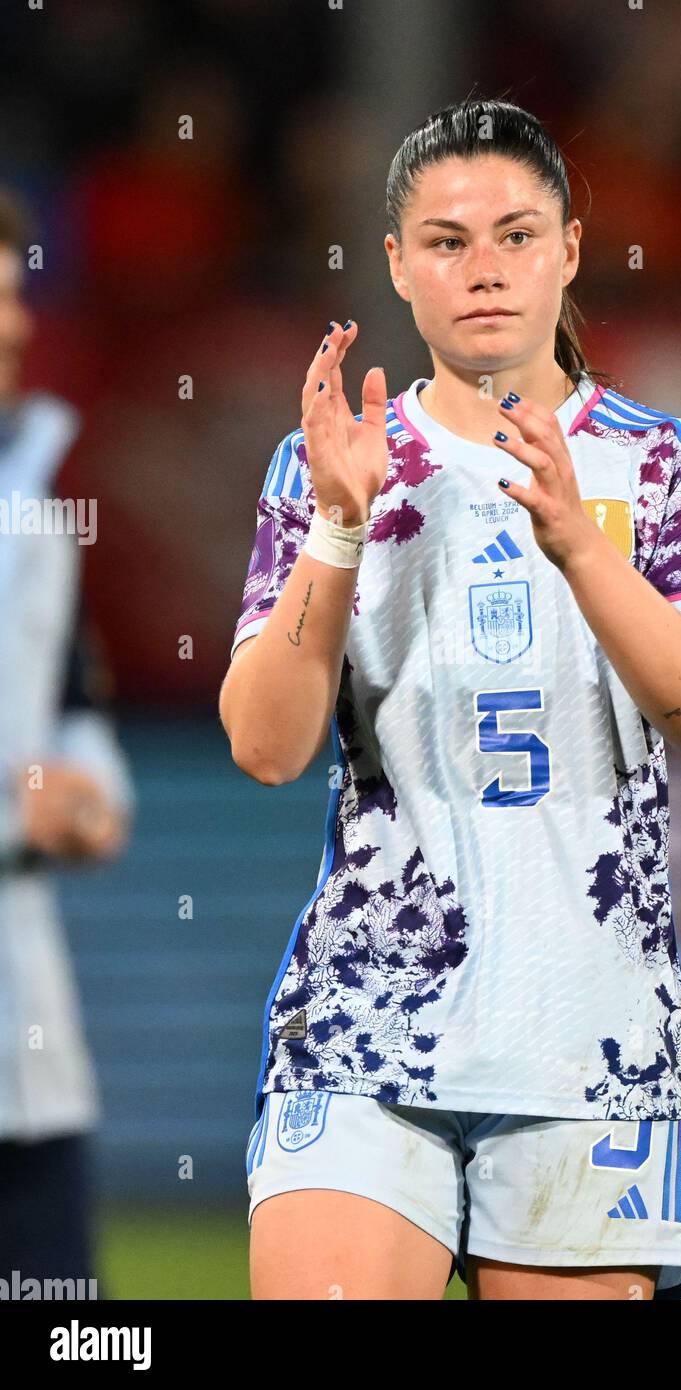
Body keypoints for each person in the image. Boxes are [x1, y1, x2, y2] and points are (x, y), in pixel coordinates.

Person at [219, 99, 681, 1302]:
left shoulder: (667, 462)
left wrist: (578, 543)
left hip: (591, 1038)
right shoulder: (330, 462)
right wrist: (340, 526)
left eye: (518, 235)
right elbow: (265, 745)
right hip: (367, 1021)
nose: (486, 270)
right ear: (398, 266)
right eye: (449, 241)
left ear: (570, 250)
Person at [0, 187, 134, 1293]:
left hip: (28, 1063)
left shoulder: (36, 509)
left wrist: (88, 799)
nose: (13, 325)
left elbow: (75, 719)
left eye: (12, 294)